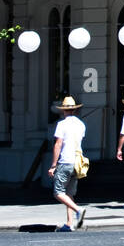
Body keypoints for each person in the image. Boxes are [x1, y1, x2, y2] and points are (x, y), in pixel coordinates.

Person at [48, 96, 87, 231]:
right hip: (77, 162)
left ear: (63, 111)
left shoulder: (61, 124)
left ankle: (78, 210)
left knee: (58, 192)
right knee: (69, 194)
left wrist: (53, 165)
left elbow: (58, 144)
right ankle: (69, 224)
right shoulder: (81, 125)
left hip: (65, 161)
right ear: (75, 110)